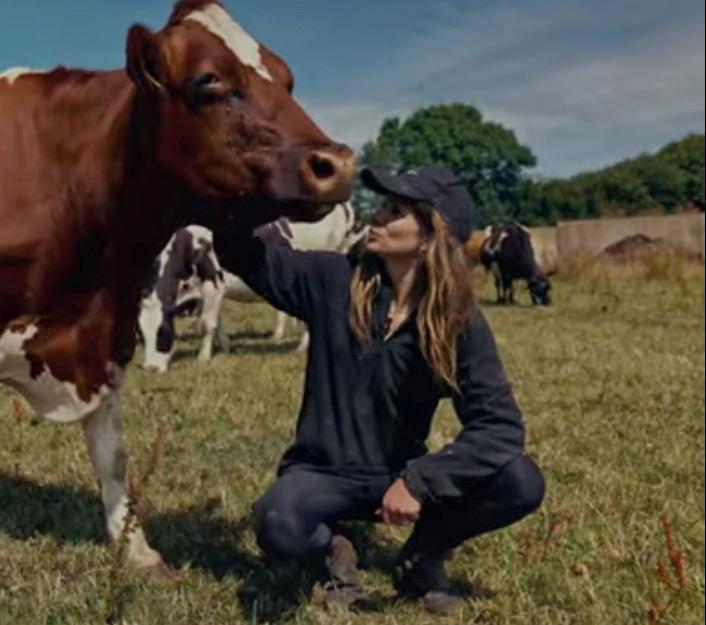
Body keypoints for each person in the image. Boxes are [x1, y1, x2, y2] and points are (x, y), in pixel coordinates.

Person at [213, 166, 545, 614]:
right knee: (278, 521)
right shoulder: (332, 279)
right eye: (383, 205)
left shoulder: (456, 320)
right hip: (323, 473)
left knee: (520, 482)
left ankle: (421, 557)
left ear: (430, 235)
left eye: (396, 210)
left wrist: (420, 482)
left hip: (400, 473)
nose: (378, 215)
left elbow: (499, 427)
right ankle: (332, 552)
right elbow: (242, 254)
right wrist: (256, 194)